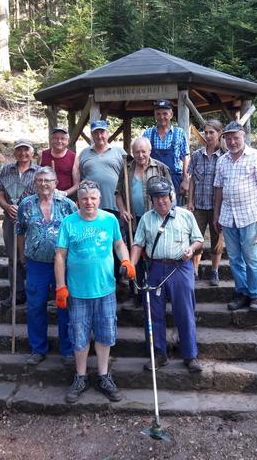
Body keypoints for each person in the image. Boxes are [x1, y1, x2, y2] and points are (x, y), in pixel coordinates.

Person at [54, 180, 136, 404]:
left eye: (93, 198)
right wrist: (61, 286)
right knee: (79, 336)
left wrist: (127, 260)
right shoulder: (69, 223)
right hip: (77, 292)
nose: (88, 202)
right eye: (84, 198)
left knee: (105, 333)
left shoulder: (109, 220)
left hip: (105, 289)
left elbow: (119, 244)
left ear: (99, 200)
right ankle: (80, 377)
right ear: (77, 200)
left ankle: (103, 375)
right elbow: (60, 255)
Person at [130, 177, 204, 373]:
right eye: (156, 198)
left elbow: (198, 240)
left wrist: (191, 249)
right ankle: (158, 354)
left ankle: (190, 355)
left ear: (171, 196)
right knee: (152, 313)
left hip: (181, 268)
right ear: (151, 200)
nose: (161, 201)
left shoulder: (185, 216)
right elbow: (138, 244)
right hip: (155, 268)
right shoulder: (146, 218)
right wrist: (130, 265)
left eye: (164, 196)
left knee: (185, 312)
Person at [15, 167, 77, 367]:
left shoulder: (67, 205)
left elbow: (77, 231)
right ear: (35, 182)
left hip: (64, 265)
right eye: (40, 180)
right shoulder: (26, 205)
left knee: (65, 306)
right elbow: (20, 231)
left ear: (56, 182)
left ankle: (67, 349)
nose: (43, 183)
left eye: (47, 180)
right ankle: (38, 348)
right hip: (37, 264)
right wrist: (22, 255)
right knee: (35, 306)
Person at [213, 121, 257, 312]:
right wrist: (216, 215)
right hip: (228, 217)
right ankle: (242, 293)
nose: (232, 142)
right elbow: (219, 190)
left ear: (243, 136)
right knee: (235, 259)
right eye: (228, 138)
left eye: (235, 138)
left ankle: (256, 295)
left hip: (250, 216)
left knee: (251, 258)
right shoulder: (222, 161)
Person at [0, 138, 39, 312]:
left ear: (32, 152)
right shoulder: (7, 170)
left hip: (32, 221)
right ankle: (17, 293)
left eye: (26, 150)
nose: (23, 153)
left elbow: (44, 195)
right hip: (10, 219)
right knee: (13, 257)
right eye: (19, 150)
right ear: (14, 153)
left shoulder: (39, 172)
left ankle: (36, 292)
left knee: (31, 256)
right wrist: (7, 206)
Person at [187, 120, 224, 286]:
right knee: (196, 239)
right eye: (206, 132)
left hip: (218, 207)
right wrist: (189, 201)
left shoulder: (224, 157)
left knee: (217, 241)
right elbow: (192, 180)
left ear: (219, 133)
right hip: (199, 206)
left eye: (212, 132)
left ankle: (214, 271)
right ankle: (194, 271)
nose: (208, 136)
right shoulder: (196, 155)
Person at [115, 136, 173, 227]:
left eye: (143, 151)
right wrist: (122, 211)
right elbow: (118, 193)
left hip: (156, 219)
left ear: (150, 151)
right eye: (137, 152)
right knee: (135, 242)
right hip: (133, 220)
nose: (140, 155)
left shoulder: (161, 168)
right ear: (132, 153)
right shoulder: (126, 170)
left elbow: (171, 194)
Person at [73, 120, 126, 216]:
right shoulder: (84, 153)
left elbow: (128, 175)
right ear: (92, 135)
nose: (99, 136)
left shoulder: (120, 152)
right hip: (90, 204)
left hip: (115, 204)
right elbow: (78, 174)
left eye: (102, 132)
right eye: (95, 133)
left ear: (107, 133)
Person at [142, 99, 190, 204]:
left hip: (175, 179)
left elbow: (185, 157)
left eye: (165, 113)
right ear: (155, 115)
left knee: (174, 210)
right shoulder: (148, 133)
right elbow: (142, 157)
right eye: (158, 114)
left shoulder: (179, 133)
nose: (161, 117)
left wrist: (185, 179)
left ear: (171, 114)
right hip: (152, 178)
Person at [39, 126, 79, 199]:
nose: (59, 141)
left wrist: (64, 193)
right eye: (56, 138)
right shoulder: (42, 155)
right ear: (51, 140)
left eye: (62, 139)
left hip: (66, 197)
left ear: (67, 141)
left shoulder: (73, 157)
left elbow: (76, 184)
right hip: (45, 197)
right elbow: (36, 178)